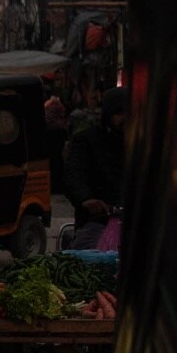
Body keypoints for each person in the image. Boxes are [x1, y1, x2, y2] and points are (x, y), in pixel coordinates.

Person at [62, 88, 127, 249]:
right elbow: (73, 174)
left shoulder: (145, 144)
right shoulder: (86, 141)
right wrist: (86, 199)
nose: (126, 118)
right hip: (97, 222)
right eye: (119, 113)